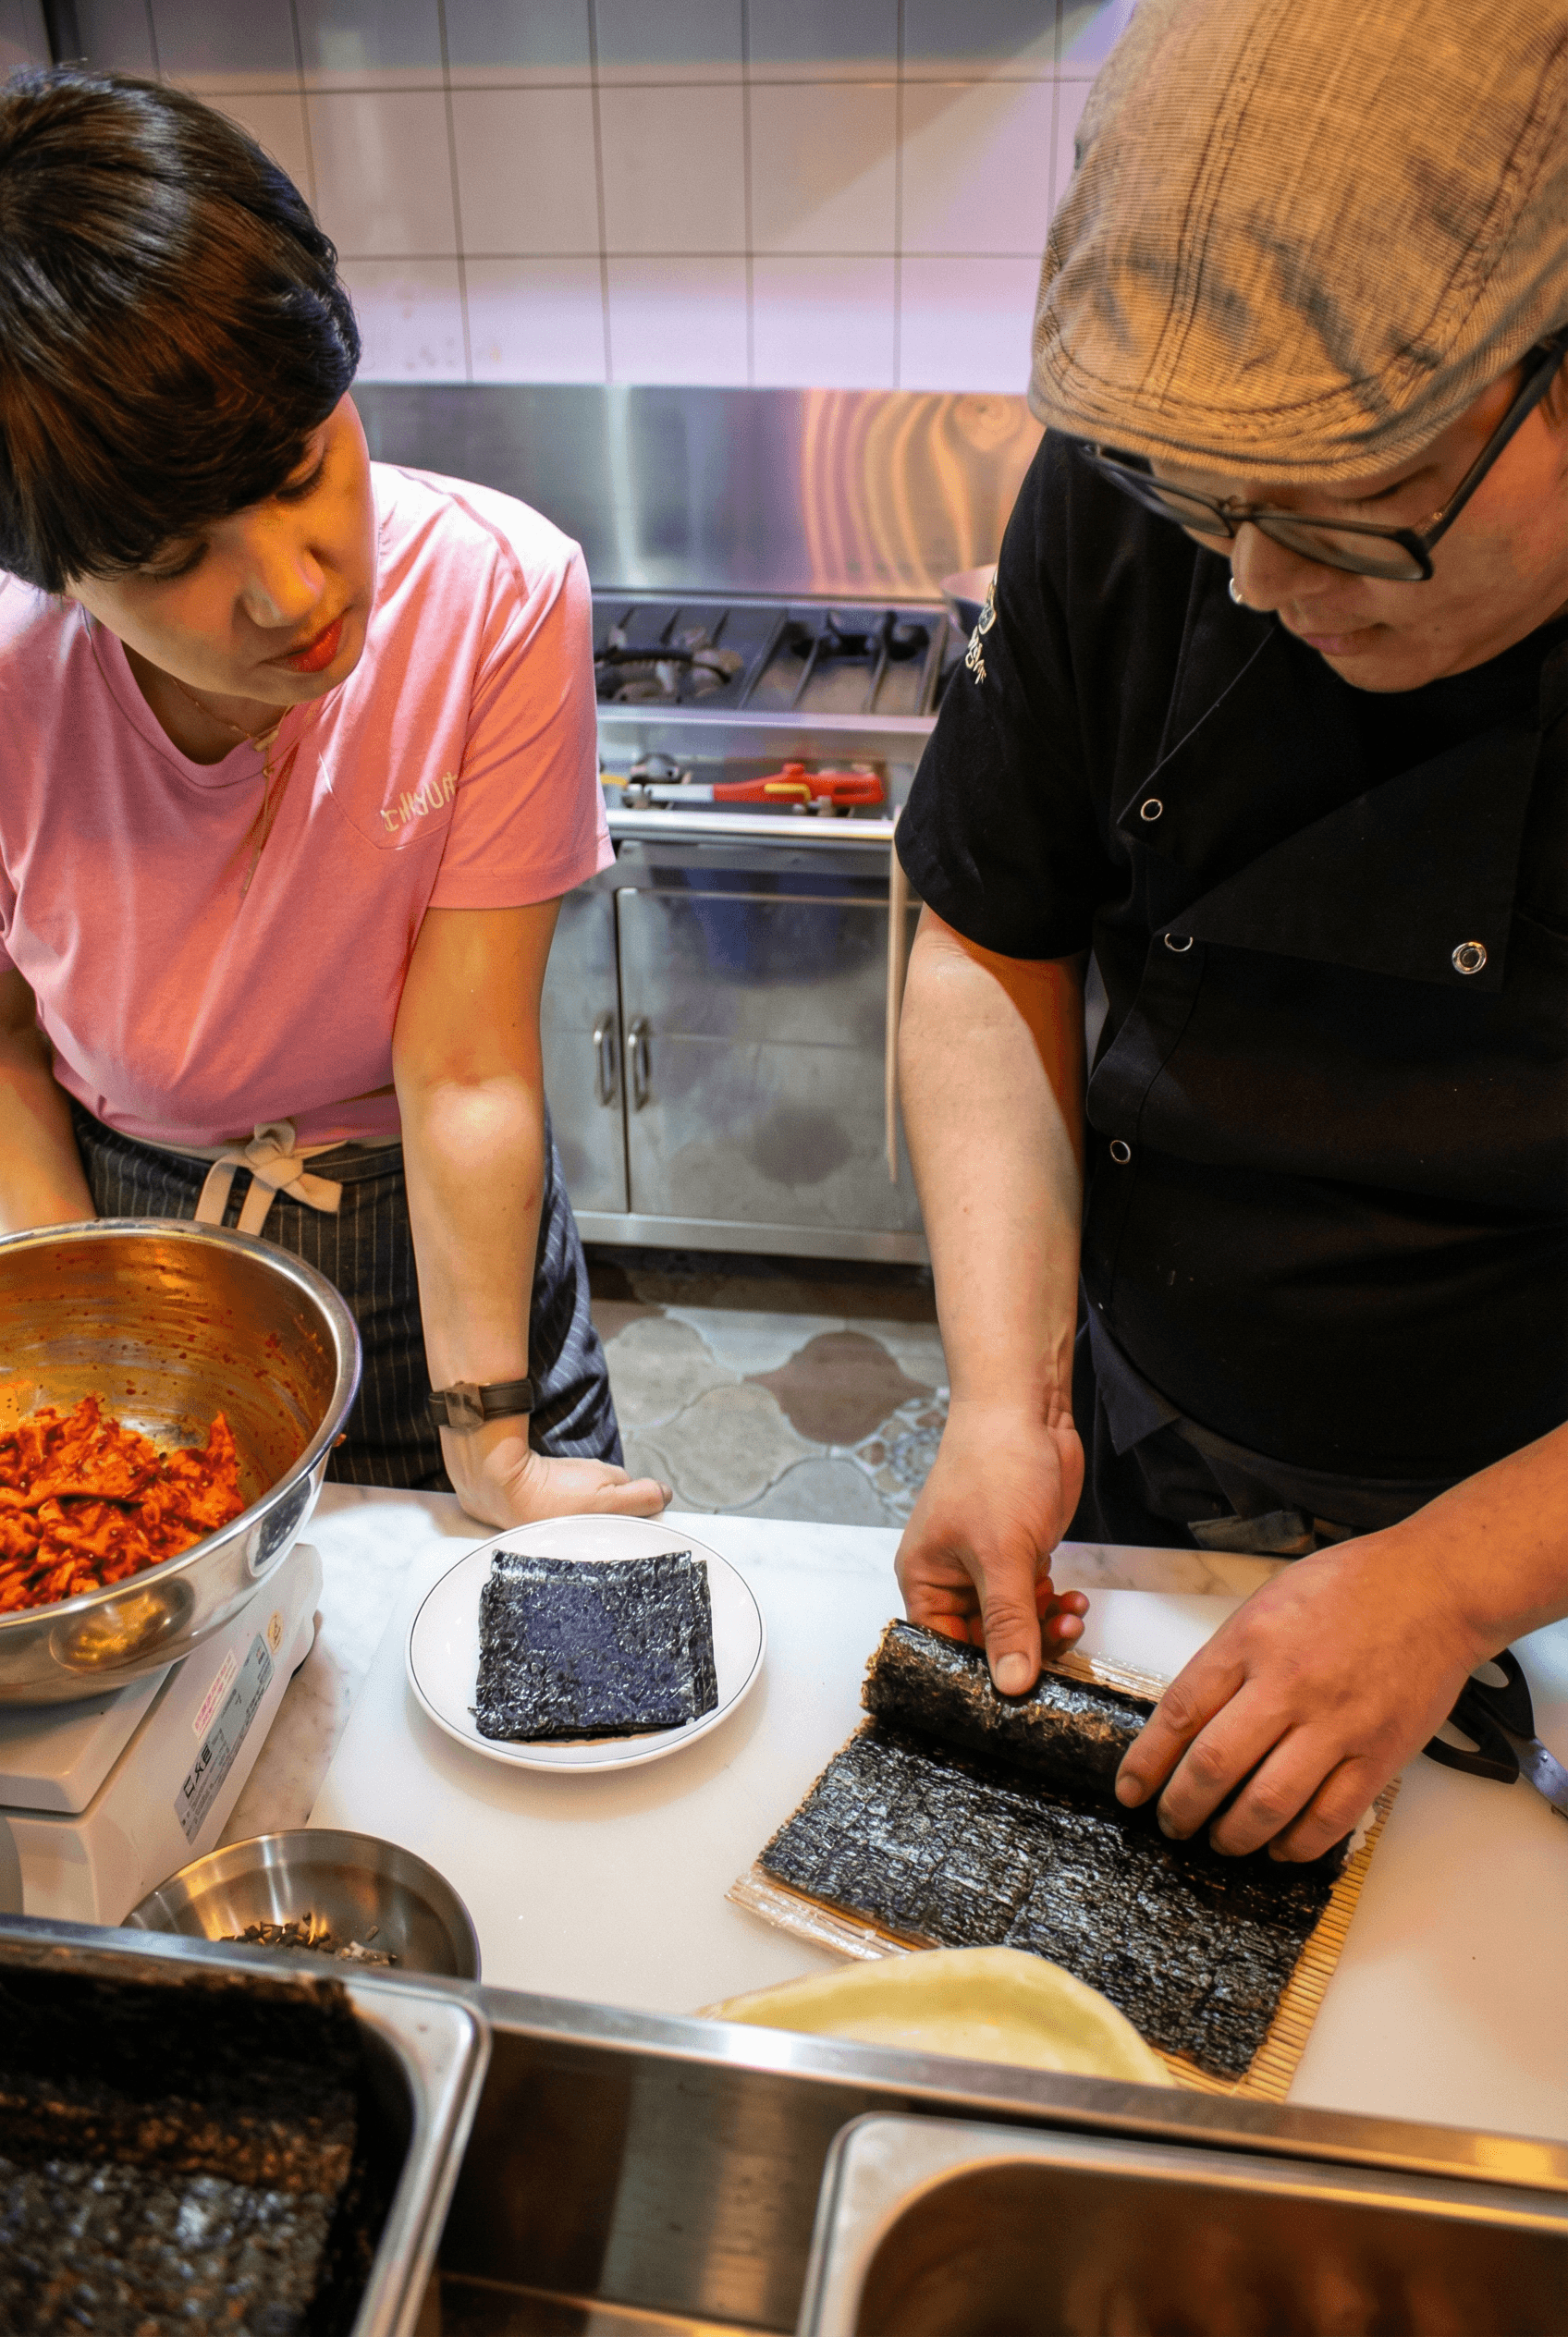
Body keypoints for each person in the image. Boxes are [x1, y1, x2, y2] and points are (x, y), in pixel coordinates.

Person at [893, 0, 1568, 1863]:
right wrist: (1003, 1392)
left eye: (1353, 521)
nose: (1255, 586)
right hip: (1152, 1402)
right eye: (1209, 512)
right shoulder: (1140, 497)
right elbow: (986, 933)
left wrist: (1443, 1583)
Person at [0, 67, 669, 1526]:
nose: (296, 590)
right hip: (132, 1222)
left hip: (434, 1234)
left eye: (305, 468)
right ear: (52, 568)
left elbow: (469, 1064)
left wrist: (492, 1444)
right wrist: (74, 1357)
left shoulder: (497, 594)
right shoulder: (9, 677)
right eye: (177, 558)